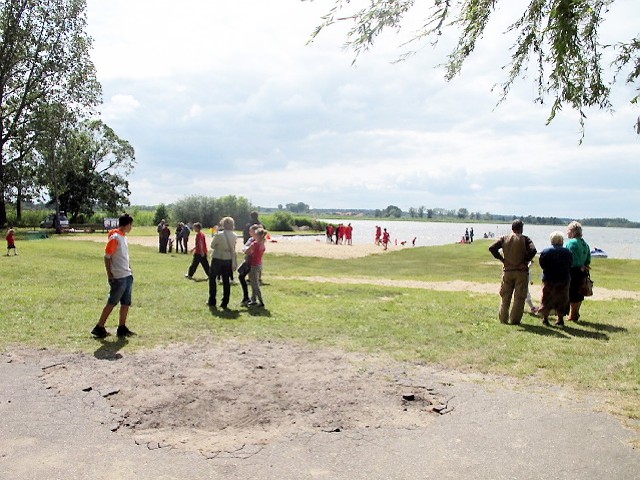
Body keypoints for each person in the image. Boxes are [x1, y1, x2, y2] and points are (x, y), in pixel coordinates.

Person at [91, 214, 135, 338]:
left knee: (126, 303)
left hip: (127, 275)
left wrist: (130, 270)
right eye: (131, 225)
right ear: (127, 225)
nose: (131, 227)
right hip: (119, 276)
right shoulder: (115, 238)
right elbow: (107, 257)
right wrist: (110, 275)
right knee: (112, 302)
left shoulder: (123, 237)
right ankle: (99, 327)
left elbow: (124, 256)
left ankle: (122, 327)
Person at [489, 219, 537, 325]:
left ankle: (503, 319)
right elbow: (533, 250)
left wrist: (502, 259)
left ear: (512, 228)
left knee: (505, 296)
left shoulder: (504, 238)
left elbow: (492, 248)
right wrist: (525, 261)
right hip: (521, 272)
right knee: (519, 297)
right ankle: (515, 320)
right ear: (521, 229)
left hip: (507, 271)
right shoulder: (525, 239)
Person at [538, 231, 573, 326]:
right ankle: (560, 319)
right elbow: (570, 264)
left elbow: (542, 264)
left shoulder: (546, 251)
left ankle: (545, 318)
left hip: (549, 278)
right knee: (562, 299)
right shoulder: (567, 252)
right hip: (563, 279)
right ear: (561, 241)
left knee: (547, 298)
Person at [207, 216, 237, 309]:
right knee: (226, 281)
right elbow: (233, 249)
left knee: (212, 279)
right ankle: (225, 302)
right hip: (228, 259)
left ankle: (212, 300)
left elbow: (212, 246)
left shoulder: (219, 235)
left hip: (217, 258)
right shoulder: (234, 235)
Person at [566, 221, 591, 322]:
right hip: (583, 271)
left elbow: (569, 257)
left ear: (572, 231)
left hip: (573, 271)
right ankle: (575, 313)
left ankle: (573, 314)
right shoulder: (585, 244)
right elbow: (588, 259)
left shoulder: (571, 243)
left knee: (572, 293)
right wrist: (584, 266)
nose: (567, 233)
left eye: (568, 230)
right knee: (580, 292)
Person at [245, 227, 267, 307]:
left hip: (254, 264)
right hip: (259, 264)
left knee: (255, 284)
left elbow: (247, 252)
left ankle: (261, 301)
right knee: (254, 282)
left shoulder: (255, 244)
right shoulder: (262, 243)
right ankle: (253, 299)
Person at [239, 224, 259, 306]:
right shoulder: (251, 239)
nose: (249, 232)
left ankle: (252, 298)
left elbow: (250, 251)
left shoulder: (257, 242)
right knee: (242, 276)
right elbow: (244, 248)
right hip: (247, 260)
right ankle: (247, 297)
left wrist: (247, 250)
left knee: (253, 280)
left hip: (252, 262)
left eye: (251, 231)